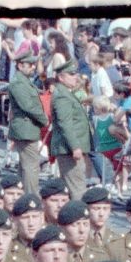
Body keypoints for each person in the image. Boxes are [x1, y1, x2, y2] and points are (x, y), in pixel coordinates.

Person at [49, 59, 93, 202]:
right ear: (61, 77)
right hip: (69, 149)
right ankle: (79, 219)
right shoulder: (62, 95)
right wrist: (75, 147)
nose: (76, 77)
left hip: (69, 148)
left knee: (70, 188)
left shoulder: (65, 92)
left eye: (75, 74)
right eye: (71, 74)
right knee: (77, 189)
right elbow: (65, 124)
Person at [6, 51, 48, 195]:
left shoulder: (24, 82)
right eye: (30, 65)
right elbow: (28, 106)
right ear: (19, 65)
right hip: (25, 128)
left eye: (33, 64)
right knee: (31, 166)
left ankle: (20, 195)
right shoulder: (18, 83)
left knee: (25, 166)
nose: (33, 67)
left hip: (28, 127)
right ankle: (32, 198)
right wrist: (44, 120)